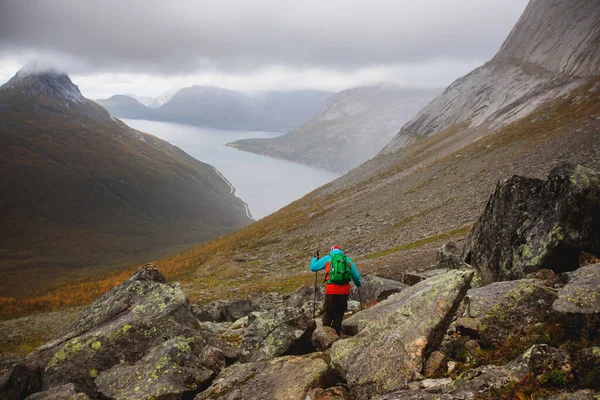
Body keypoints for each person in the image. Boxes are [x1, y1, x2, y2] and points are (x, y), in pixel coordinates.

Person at [310, 245, 361, 335]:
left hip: (331, 290)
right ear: (340, 251)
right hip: (344, 291)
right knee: (339, 314)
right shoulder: (347, 259)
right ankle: (336, 334)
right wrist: (358, 284)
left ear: (331, 251)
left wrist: (314, 259)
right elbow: (356, 276)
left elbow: (313, 267)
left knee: (328, 312)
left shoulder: (328, 258)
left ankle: (326, 335)